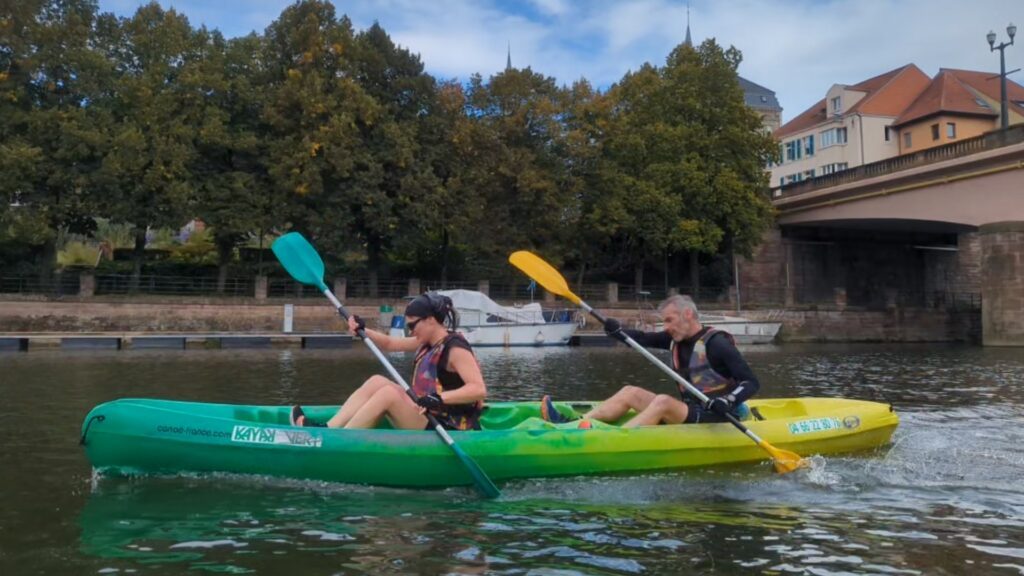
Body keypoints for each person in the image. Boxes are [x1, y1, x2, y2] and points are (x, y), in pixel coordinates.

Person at [541, 294, 759, 428]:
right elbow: (642, 338)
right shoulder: (675, 339)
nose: (666, 327)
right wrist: (616, 331)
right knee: (630, 392)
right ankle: (573, 425)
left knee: (663, 401)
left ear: (688, 315)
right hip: (693, 409)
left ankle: (617, 439)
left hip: (723, 416)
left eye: (669, 320)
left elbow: (750, 382)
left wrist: (728, 401)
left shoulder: (717, 344)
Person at [290, 292, 487, 431]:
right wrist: (362, 329)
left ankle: (339, 440)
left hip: (449, 426)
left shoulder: (455, 349)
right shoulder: (428, 341)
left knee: (388, 394)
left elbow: (478, 389)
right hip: (428, 413)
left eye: (412, 325)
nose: (410, 330)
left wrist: (439, 398)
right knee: (378, 381)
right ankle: (329, 428)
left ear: (430, 320)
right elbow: (391, 343)